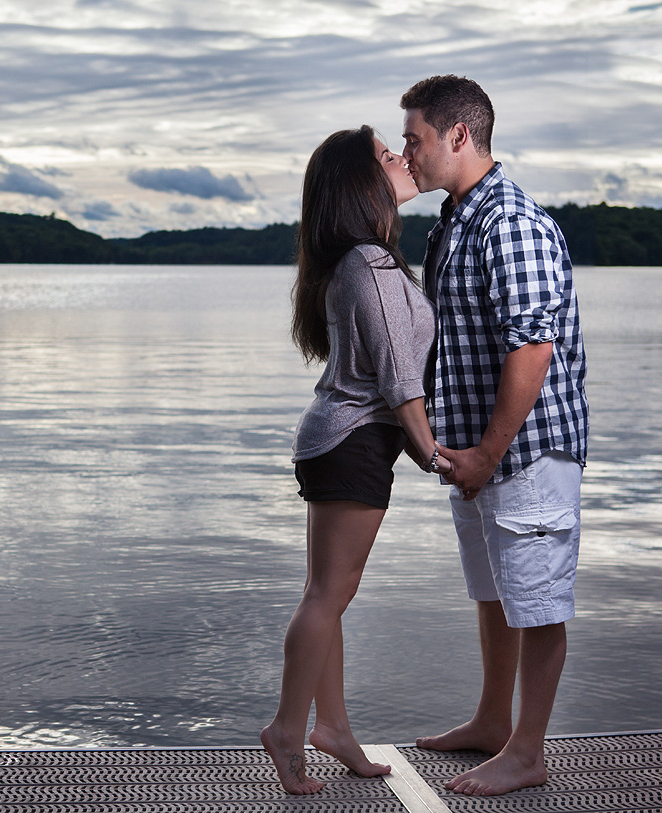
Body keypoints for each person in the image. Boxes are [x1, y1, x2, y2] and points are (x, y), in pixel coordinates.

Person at [399, 75, 589, 796]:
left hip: (527, 450)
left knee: (536, 600)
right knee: (496, 591)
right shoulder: (454, 221)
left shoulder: (508, 221)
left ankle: (527, 750)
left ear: (459, 136)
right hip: (481, 453)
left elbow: (531, 348)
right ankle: (490, 719)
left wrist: (488, 451)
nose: (409, 154)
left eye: (415, 139)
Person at [260, 125, 452, 795]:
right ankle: (288, 728)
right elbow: (401, 377)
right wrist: (435, 454)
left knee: (328, 596)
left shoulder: (359, 261)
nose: (399, 158)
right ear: (359, 184)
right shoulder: (368, 265)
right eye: (384, 155)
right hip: (353, 443)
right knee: (326, 596)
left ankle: (333, 727)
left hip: (336, 439)